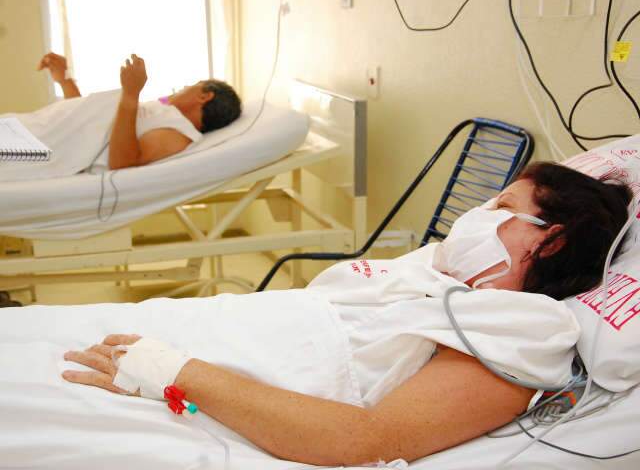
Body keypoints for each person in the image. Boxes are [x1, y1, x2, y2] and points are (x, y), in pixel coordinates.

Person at [58, 162, 631, 466]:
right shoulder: (437, 269)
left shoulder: (523, 325)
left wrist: (173, 370)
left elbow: (366, 440)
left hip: (184, 377)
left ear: (549, 240)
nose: (478, 216)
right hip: (195, 332)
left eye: (502, 206)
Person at [36, 52, 242, 170]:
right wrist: (65, 79)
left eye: (192, 85)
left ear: (204, 96)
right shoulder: (162, 113)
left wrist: (131, 94)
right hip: (42, 128)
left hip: (41, 145)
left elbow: (122, 161)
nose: (184, 87)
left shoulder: (180, 133)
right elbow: (85, 126)